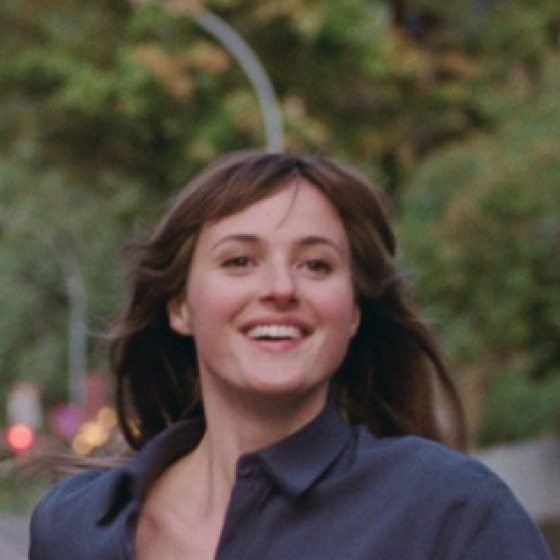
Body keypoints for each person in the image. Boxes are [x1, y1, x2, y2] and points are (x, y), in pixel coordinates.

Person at [29, 151, 552, 559]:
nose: (281, 288)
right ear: (180, 307)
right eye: (240, 261)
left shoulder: (450, 512)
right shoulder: (76, 526)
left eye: (316, 265)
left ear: (353, 312)